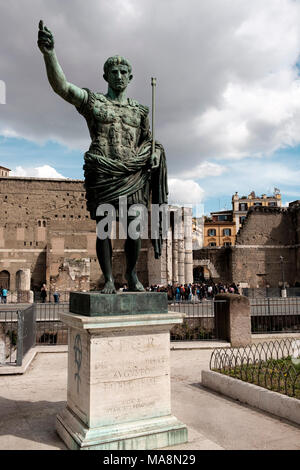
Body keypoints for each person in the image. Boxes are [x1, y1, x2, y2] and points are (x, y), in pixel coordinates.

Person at [38, 21, 168, 294]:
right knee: (105, 226)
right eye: (113, 71)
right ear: (105, 76)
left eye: (123, 71)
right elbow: (62, 87)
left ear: (130, 77)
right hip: (104, 173)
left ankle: (131, 274)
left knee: (134, 222)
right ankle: (109, 278)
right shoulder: (94, 102)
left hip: (132, 175)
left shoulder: (140, 111)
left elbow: (149, 141)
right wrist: (49, 54)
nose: (119, 75)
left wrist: (154, 153)